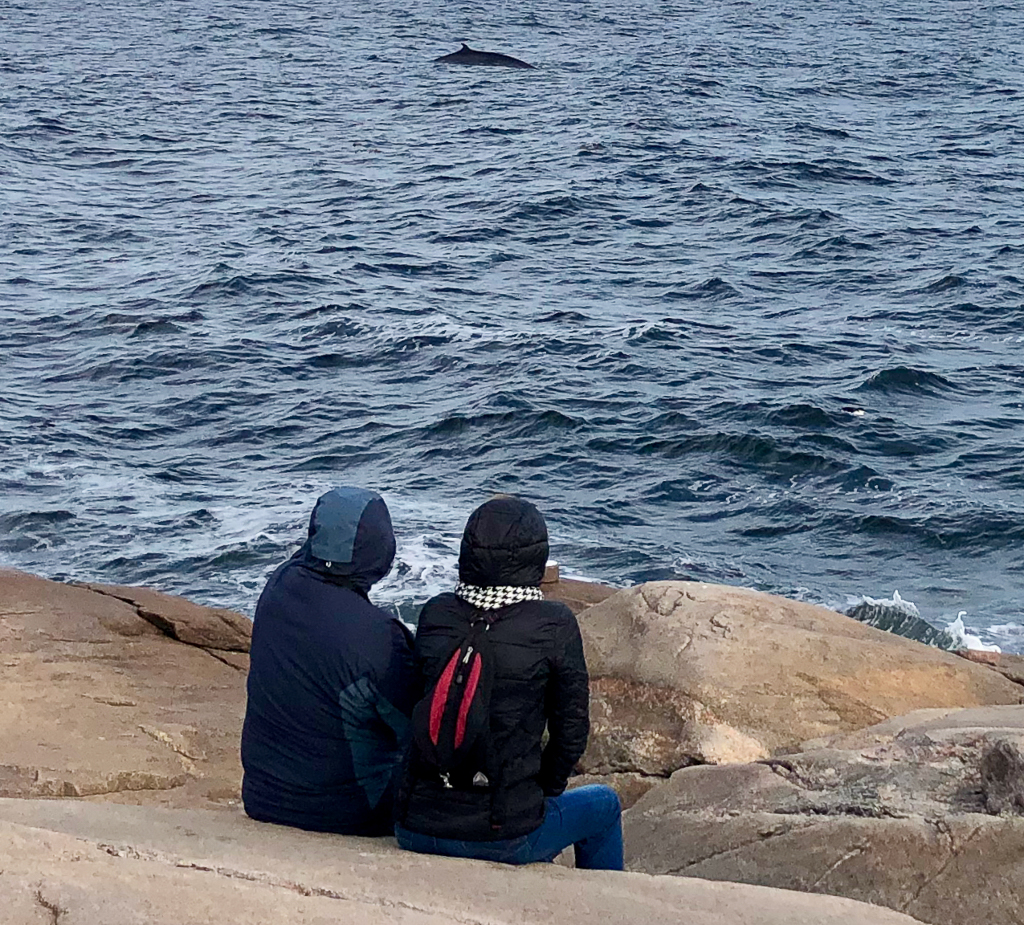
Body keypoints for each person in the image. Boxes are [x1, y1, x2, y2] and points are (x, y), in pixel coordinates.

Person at [394, 495, 623, 870]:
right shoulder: (554, 624)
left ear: (468, 552)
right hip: (502, 833)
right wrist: (539, 794)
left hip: (414, 826)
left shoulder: (437, 612)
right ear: (537, 557)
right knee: (604, 804)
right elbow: (571, 735)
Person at [241, 486, 416, 835]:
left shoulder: (279, 585)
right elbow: (415, 728)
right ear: (381, 551)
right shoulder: (381, 637)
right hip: (348, 812)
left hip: (263, 797)